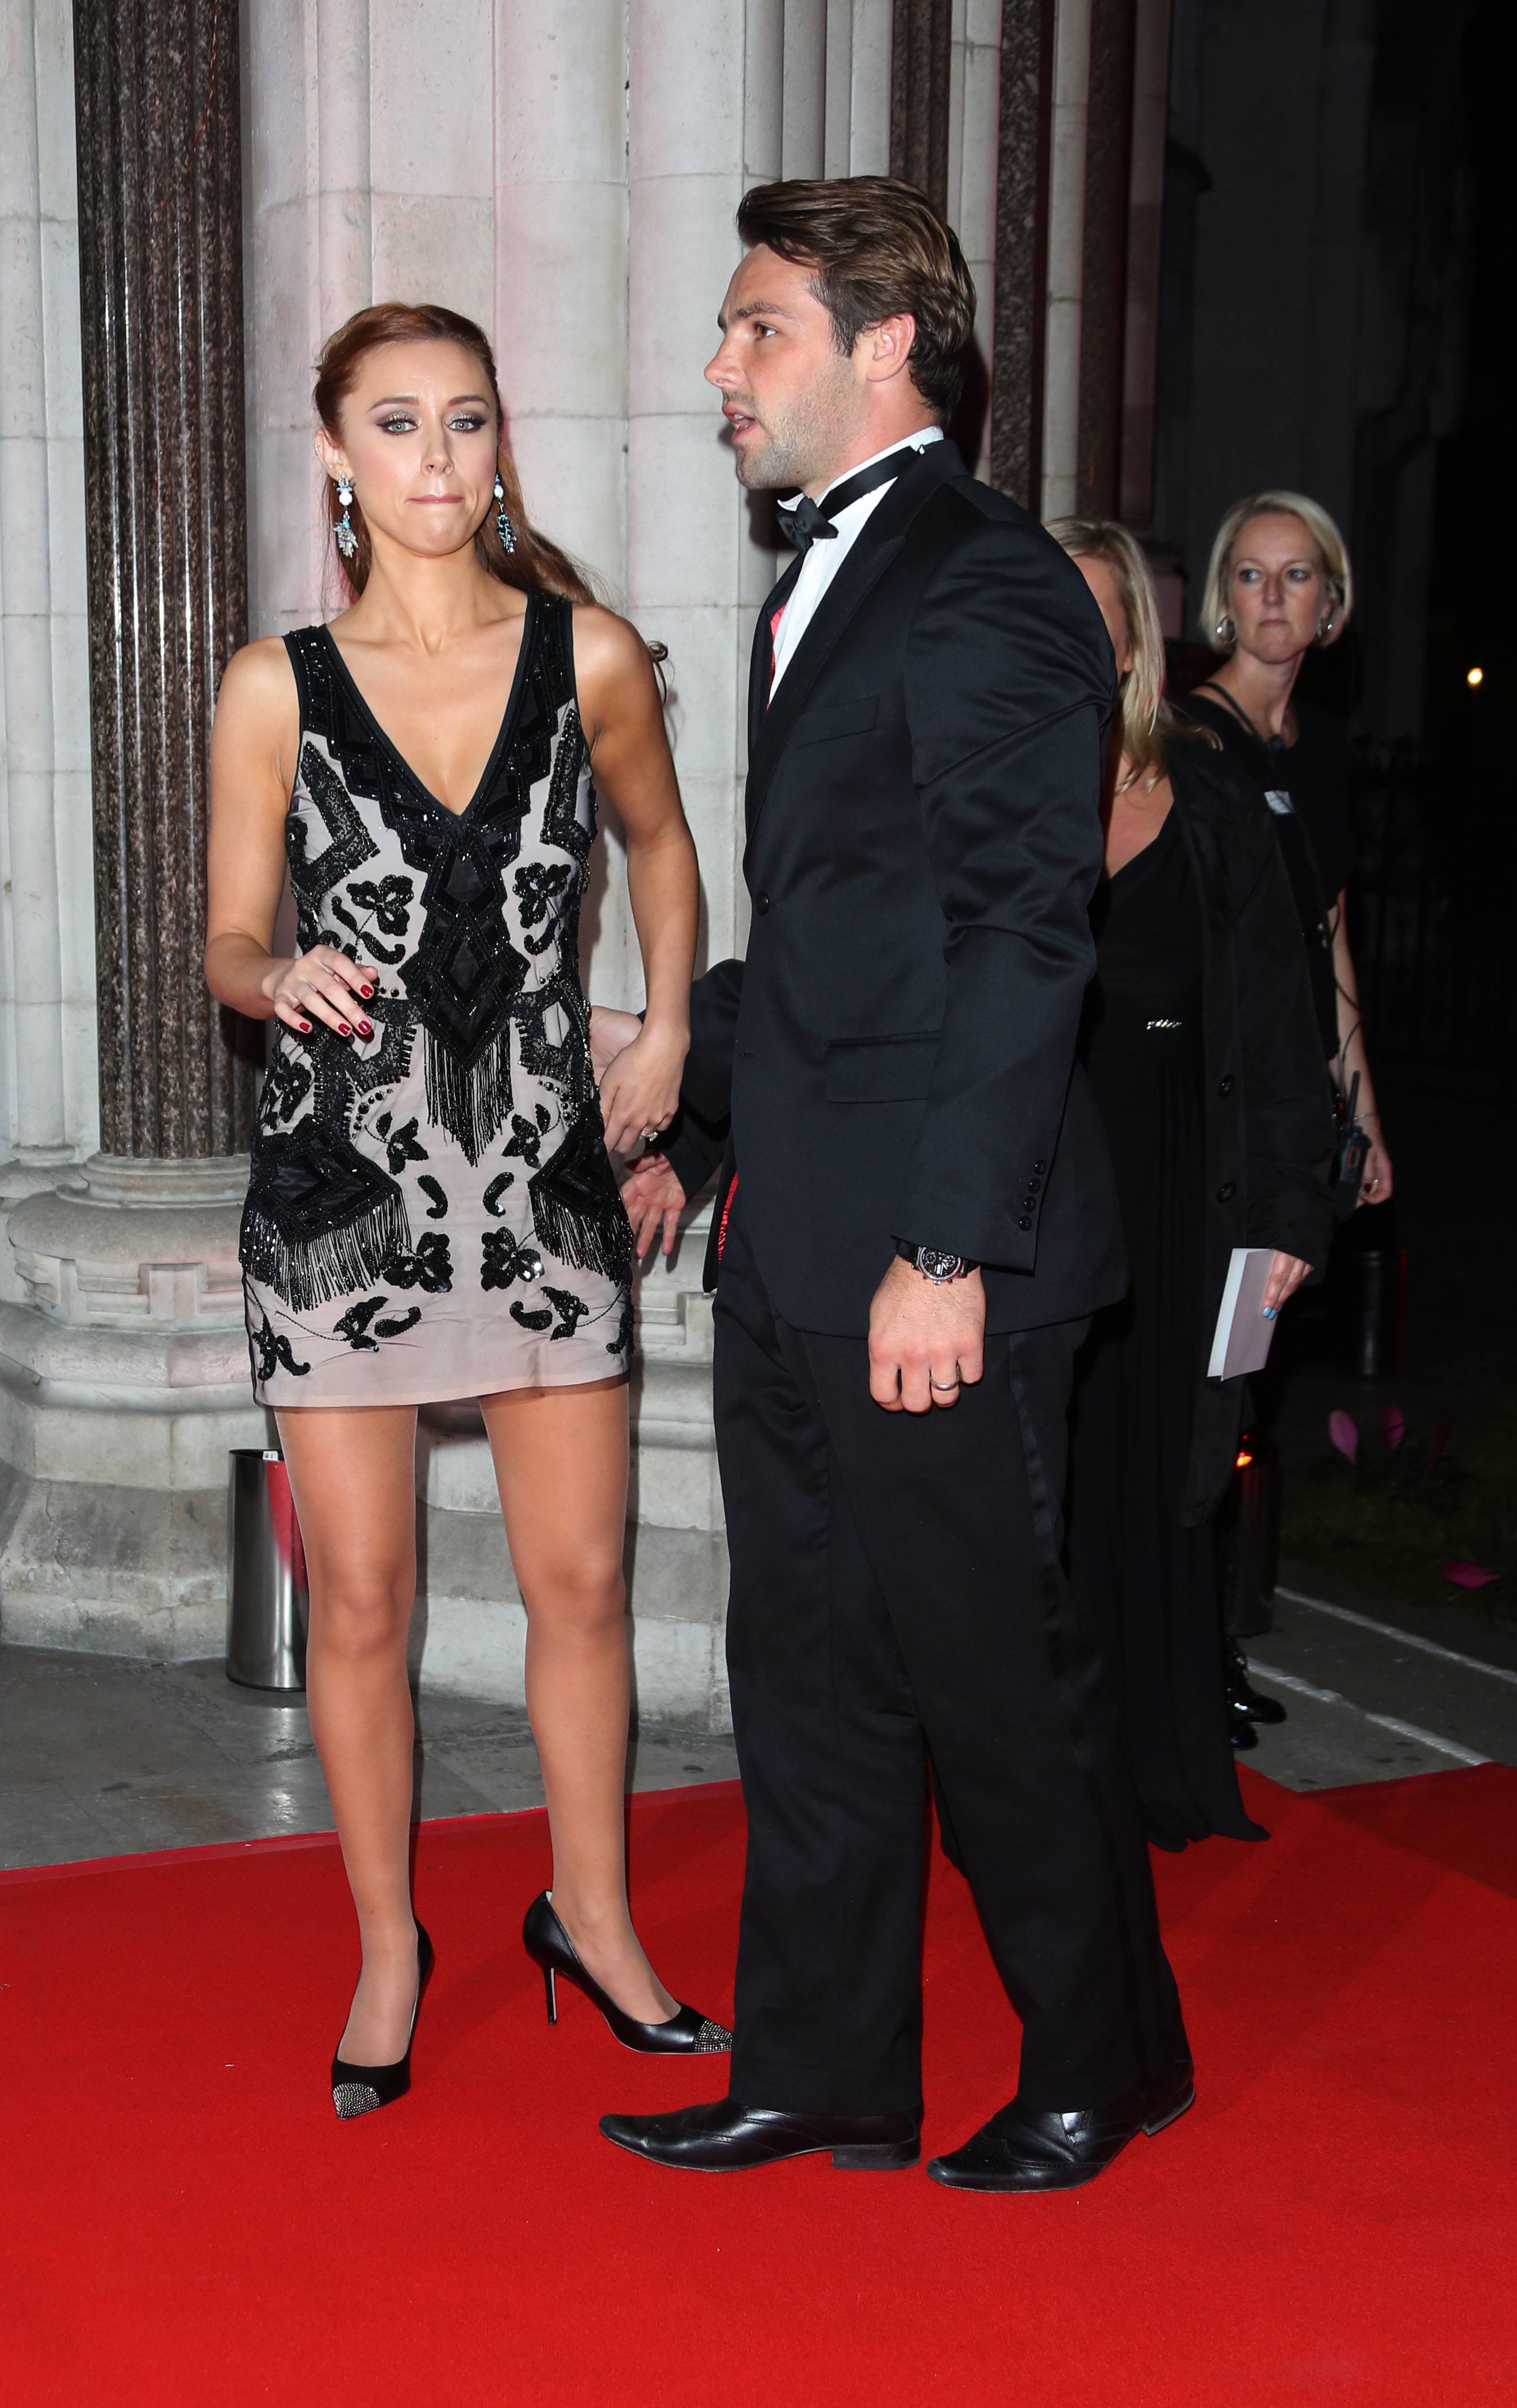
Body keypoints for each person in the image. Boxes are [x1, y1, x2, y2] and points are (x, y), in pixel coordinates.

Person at [589, 177, 1190, 2195]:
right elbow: (854, 935)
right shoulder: (825, 578)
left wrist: (946, 1245)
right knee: (812, 1680)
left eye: (757, 326)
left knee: (993, 1681)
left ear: (884, 347)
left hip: (940, 1262)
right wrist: (693, 1106)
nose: (720, 365)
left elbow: (1025, 935)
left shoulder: (987, 579)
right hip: (799, 1246)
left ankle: (1099, 2063)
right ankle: (827, 2065)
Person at [205, 302, 727, 2122]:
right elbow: (228, 933)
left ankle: (592, 1915)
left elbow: (663, 843)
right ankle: (386, 1947)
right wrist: (272, 977)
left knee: (579, 1585)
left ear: (502, 443)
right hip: (339, 1188)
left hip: (543, 1182)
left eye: (468, 419)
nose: (437, 456)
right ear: (336, 457)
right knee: (361, 1603)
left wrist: (670, 1026)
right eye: (398, 423)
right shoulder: (272, 685)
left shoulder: (588, 656)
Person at [1048, 519, 1335, 1849]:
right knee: (1046, 1478)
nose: (1071, 636)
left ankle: (1154, 1762)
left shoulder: (1212, 806)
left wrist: (1287, 1215)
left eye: (1095, 614)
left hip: (1182, 1185)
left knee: (1168, 1467)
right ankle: (1040, 1779)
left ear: (1134, 644)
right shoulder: (990, 793)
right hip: (1041, 1175)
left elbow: (1279, 1027)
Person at [1183, 492, 1392, 1204]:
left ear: (1330, 601)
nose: (1272, 595)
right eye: (1251, 575)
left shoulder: (1325, 743)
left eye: (1296, 574)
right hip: (1218, 1096)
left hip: (1299, 1094)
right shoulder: (1191, 743)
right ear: (1226, 600)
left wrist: (1364, 1119)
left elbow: (1330, 937)